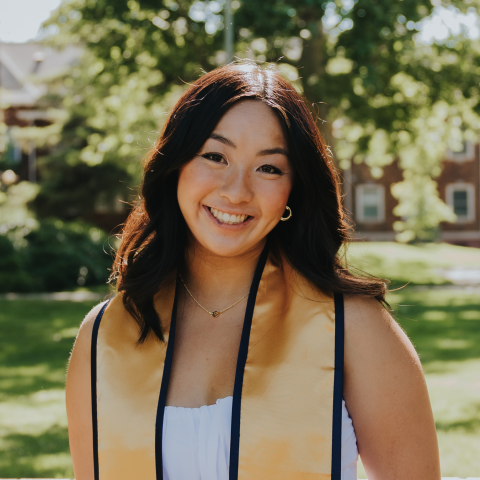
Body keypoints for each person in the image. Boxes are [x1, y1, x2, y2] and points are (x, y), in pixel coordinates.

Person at [66, 62, 441, 480]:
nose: (236, 190)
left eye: (269, 168)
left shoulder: (352, 328)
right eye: (215, 156)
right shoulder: (102, 339)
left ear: (292, 190)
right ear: (174, 167)